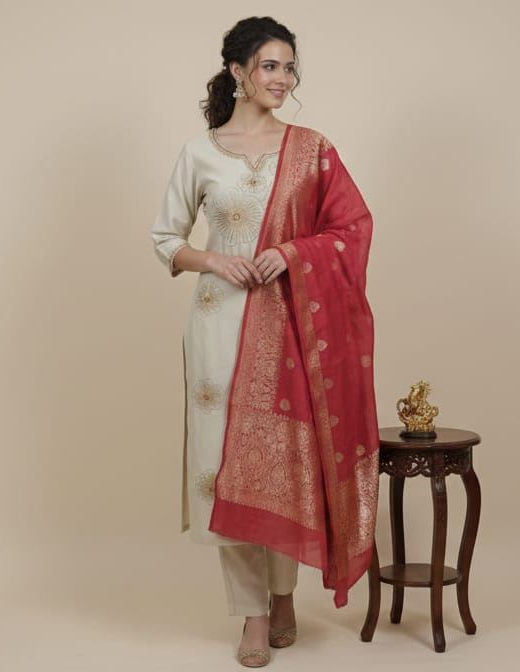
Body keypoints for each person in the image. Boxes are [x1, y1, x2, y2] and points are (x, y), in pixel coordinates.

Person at [151, 16, 380, 668]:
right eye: (270, 66)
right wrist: (215, 260)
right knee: (227, 466)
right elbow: (166, 239)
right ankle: (253, 613)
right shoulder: (200, 152)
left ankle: (284, 596)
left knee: (283, 463)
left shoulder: (310, 149)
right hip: (219, 328)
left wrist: (292, 252)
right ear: (238, 71)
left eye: (289, 67)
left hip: (292, 327)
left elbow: (353, 227)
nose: (283, 79)